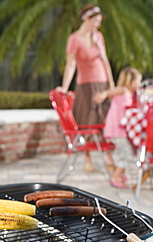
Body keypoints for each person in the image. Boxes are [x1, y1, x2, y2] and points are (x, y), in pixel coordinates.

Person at [56, 4, 115, 172]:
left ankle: (108, 156)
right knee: (86, 121)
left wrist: (111, 86)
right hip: (85, 86)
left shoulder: (98, 37)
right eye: (95, 21)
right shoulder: (74, 39)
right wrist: (64, 87)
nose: (98, 24)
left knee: (105, 120)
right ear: (86, 19)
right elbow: (70, 65)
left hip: (102, 84)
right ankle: (87, 159)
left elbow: (105, 62)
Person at [93, 67, 142, 188]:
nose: (139, 85)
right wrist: (103, 95)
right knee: (128, 153)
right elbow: (110, 91)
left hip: (120, 130)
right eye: (138, 82)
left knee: (123, 152)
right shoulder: (123, 90)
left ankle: (119, 174)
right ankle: (115, 176)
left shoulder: (130, 94)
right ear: (131, 82)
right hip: (117, 130)